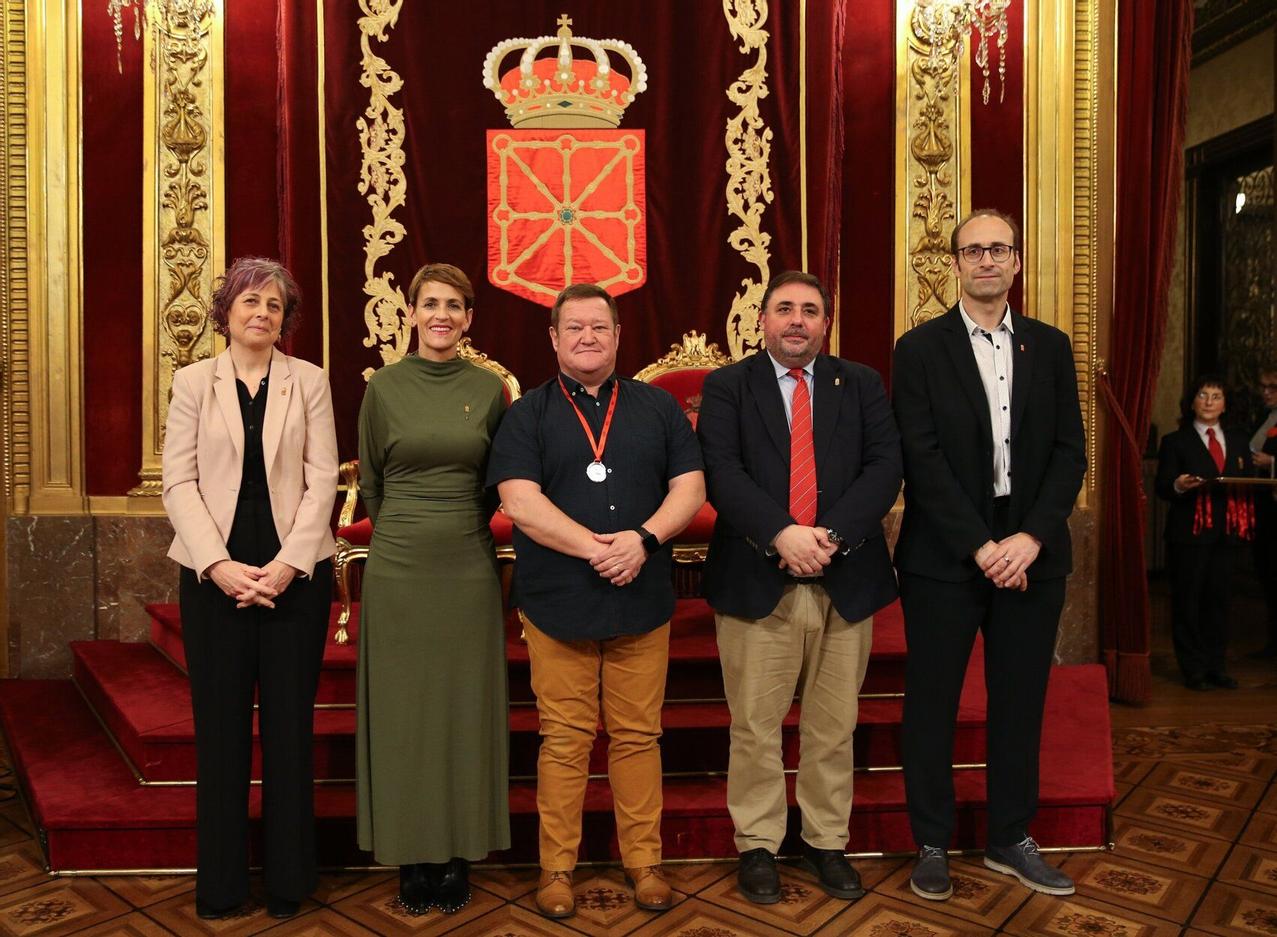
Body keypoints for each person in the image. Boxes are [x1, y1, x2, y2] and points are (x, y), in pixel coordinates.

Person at [488, 283, 705, 920]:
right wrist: (596, 549)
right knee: (564, 740)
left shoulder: (659, 410)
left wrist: (642, 541)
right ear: (553, 339)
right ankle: (557, 868)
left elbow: (689, 488)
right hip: (558, 601)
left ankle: (644, 861)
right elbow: (519, 502)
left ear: (617, 336)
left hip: (642, 595)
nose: (588, 338)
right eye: (574, 328)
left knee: (639, 737)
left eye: (599, 328)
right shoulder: (525, 414)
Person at [892, 210, 1086, 901]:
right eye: (972, 250)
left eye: (997, 248)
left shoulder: (1050, 346)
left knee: (1019, 700)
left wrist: (1029, 536)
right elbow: (923, 458)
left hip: (1031, 549)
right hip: (947, 552)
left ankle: (1009, 835)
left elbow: (1070, 452)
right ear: (954, 263)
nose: (985, 260)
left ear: (1015, 261)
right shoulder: (917, 350)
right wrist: (979, 543)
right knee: (933, 702)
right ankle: (932, 841)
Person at [696, 270, 902, 904]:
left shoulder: (861, 383)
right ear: (761, 320)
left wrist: (829, 535)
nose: (796, 320)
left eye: (810, 311)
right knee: (755, 725)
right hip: (758, 577)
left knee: (833, 724)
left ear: (825, 323)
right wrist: (782, 533)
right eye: (784, 308)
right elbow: (721, 471)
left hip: (847, 576)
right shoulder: (729, 386)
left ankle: (823, 841)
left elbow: (886, 467)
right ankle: (758, 843)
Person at [162, 257, 338, 920]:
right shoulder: (191, 383)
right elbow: (177, 482)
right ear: (226, 312)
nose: (259, 313)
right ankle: (223, 886)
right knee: (222, 732)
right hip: (215, 580)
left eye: (272, 304)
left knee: (290, 731)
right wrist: (218, 563)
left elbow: (324, 480)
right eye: (248, 302)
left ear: (284, 317)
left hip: (295, 579)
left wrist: (290, 564)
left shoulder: (310, 382)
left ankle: (290, 882)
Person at [355, 263, 510, 914]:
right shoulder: (382, 389)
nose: (441, 314)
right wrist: (407, 532)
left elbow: (499, 480)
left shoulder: (491, 389)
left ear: (469, 317)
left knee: (461, 709)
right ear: (411, 312)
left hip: (468, 565)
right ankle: (410, 855)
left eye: (454, 304)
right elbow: (370, 483)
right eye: (429, 303)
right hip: (398, 567)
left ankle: (455, 853)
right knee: (402, 714)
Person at [1155, 375, 1255, 689]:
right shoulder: (1175, 441)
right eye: (1203, 395)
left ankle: (1216, 666)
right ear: (1192, 402)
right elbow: (1163, 486)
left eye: (1216, 396)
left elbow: (1248, 481)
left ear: (1225, 405)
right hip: (1189, 534)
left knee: (1219, 601)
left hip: (1226, 533)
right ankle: (1193, 669)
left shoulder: (1239, 440)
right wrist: (1179, 485)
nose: (1209, 401)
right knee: (1188, 600)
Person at [1249, 365, 1277, 658]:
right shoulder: (1265, 417)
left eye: (1272, 388)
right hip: (1264, 508)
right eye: (1263, 387)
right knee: (1267, 573)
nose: (1265, 393)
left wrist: (1272, 462)